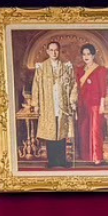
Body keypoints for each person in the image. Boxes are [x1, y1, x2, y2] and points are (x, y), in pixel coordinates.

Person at [30, 39, 76, 169]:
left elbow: (73, 84)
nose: (54, 53)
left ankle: (62, 160)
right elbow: (36, 86)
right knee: (50, 132)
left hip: (62, 104)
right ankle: (52, 161)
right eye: (51, 50)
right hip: (47, 104)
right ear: (47, 51)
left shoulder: (66, 67)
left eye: (56, 50)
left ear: (59, 51)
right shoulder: (41, 67)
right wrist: (36, 104)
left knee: (61, 132)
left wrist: (72, 101)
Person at [75, 44, 108, 165]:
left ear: (93, 55)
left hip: (96, 104)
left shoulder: (100, 70)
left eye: (88, 54)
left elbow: (103, 88)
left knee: (96, 130)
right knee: (84, 129)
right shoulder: (80, 70)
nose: (86, 56)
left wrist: (102, 105)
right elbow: (77, 88)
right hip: (83, 103)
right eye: (84, 54)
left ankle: (97, 157)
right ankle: (86, 156)